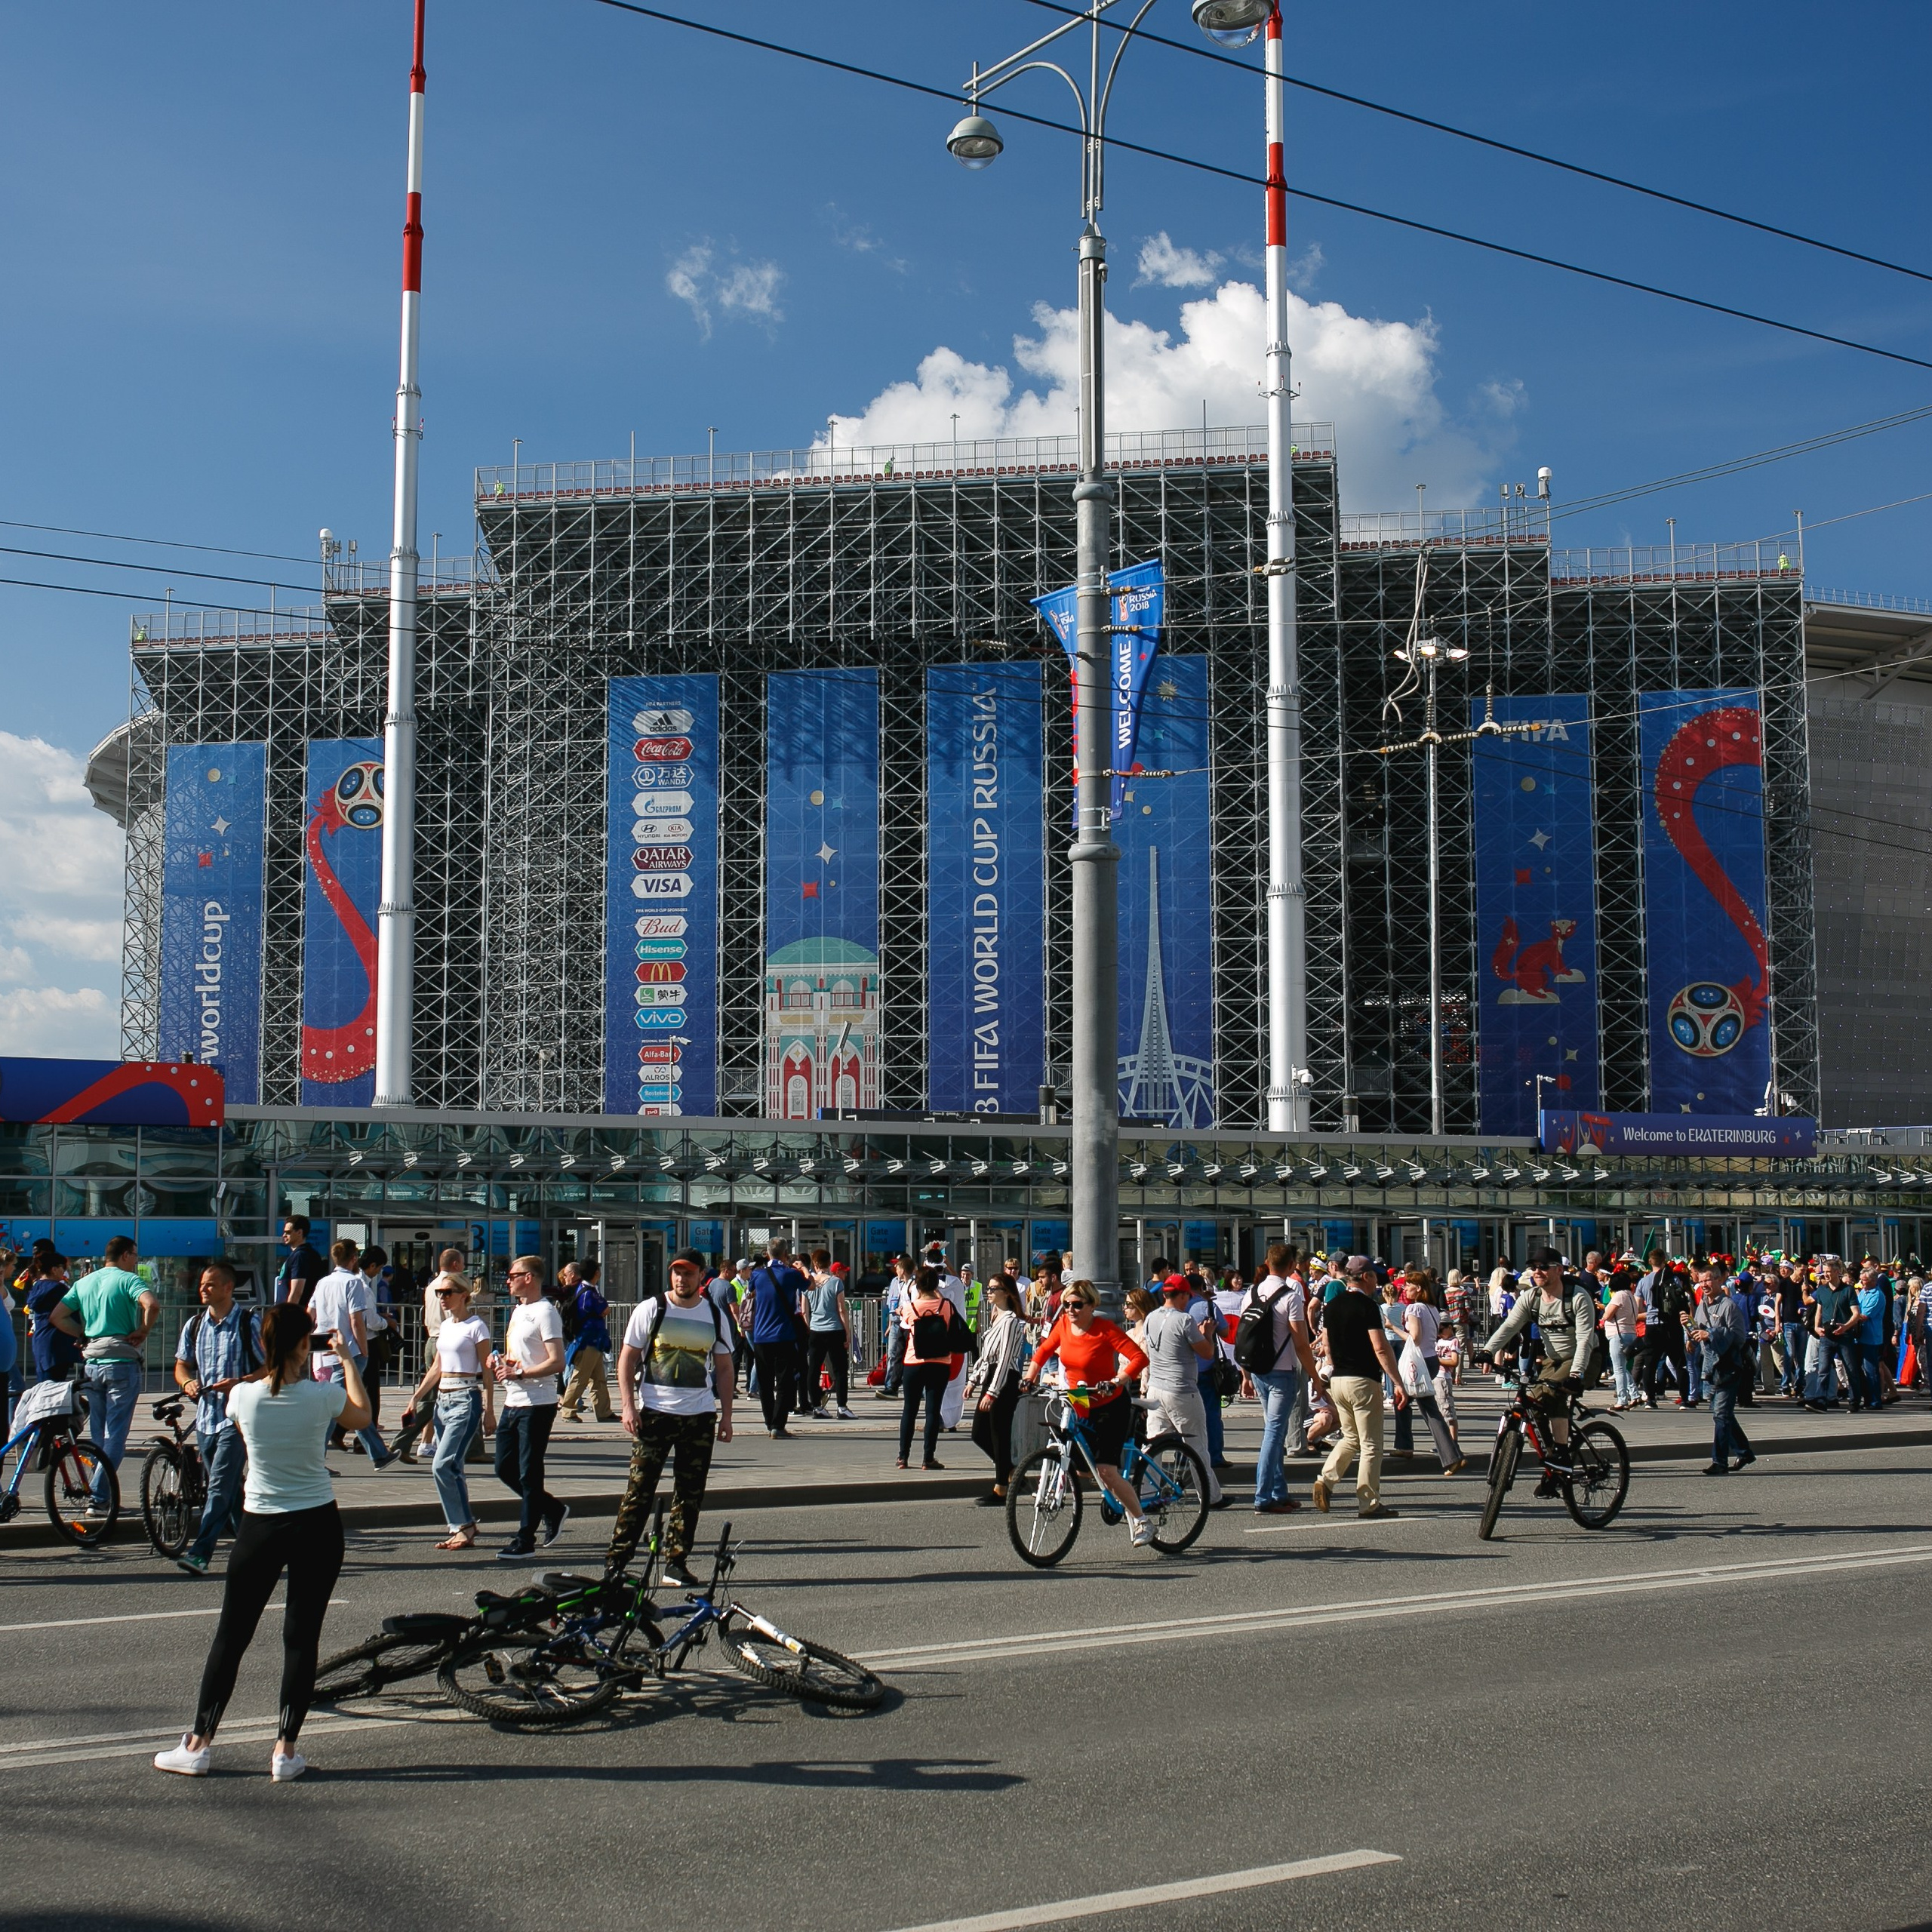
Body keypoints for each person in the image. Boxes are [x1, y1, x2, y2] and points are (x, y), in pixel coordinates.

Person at [154, 1304, 365, 1780]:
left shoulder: (243, 1398)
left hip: (261, 1524)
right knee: (301, 1637)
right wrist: (348, 1361)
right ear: (301, 1344)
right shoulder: (323, 1396)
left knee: (232, 1635)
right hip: (317, 1523)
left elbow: (243, 1407)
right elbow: (363, 1416)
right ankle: (285, 1752)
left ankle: (199, 1743)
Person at [604, 1249, 736, 1588]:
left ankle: (676, 1562)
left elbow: (723, 1368)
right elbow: (627, 1359)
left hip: (699, 1416)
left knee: (689, 1493)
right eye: (676, 1272)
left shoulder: (714, 1314)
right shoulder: (652, 1309)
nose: (681, 1279)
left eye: (688, 1274)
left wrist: (727, 1417)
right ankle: (617, 1563)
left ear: (701, 1277)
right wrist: (628, 1406)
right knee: (639, 1491)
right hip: (655, 1415)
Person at [1020, 1279, 1154, 1543]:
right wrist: (1029, 1377)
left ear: (1092, 1305)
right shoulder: (1064, 1326)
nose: (1070, 1310)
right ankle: (1112, 1489)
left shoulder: (1105, 1329)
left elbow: (1140, 1358)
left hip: (1109, 1402)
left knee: (1105, 1470)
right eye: (1067, 1304)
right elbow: (1043, 1351)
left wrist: (1117, 1381)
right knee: (1082, 1464)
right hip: (1080, 1398)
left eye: (1077, 1305)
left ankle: (1142, 1521)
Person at [50, 1235, 158, 1506]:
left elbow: (57, 1316)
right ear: (124, 1255)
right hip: (121, 1361)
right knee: (116, 1435)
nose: (135, 1261)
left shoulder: (84, 1282)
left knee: (98, 1434)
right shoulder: (128, 1279)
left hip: (91, 1363)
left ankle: (103, 1495)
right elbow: (152, 1304)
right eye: (134, 1255)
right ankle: (97, 1496)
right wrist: (143, 1330)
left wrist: (83, 1334)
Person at [171, 1261, 264, 1577]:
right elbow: (181, 1365)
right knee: (228, 1491)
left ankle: (200, 1553)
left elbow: (270, 1368)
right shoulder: (195, 1324)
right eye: (201, 1284)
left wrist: (241, 1382)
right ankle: (256, 1549)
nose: (203, 1289)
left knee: (220, 1486)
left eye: (210, 1284)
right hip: (206, 1418)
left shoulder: (248, 1322)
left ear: (228, 1287)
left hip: (236, 1419)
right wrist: (187, 1383)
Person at [1478, 1246, 1601, 1483]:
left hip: (1584, 1358)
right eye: (1534, 1267)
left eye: (1543, 1267)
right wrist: (1487, 1351)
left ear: (1559, 1270)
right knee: (1532, 1403)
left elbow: (1585, 1338)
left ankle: (1562, 1453)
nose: (1538, 1271)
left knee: (1554, 1393)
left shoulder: (1576, 1297)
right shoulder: (1531, 1298)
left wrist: (1576, 1374)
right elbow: (1508, 1327)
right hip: (1552, 1360)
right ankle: (1551, 1467)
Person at [399, 1275, 495, 1550]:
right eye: (439, 1293)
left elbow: (486, 1370)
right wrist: (416, 1397)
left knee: (441, 1464)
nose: (442, 1297)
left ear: (463, 1294)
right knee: (454, 1468)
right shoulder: (445, 1326)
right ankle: (463, 1527)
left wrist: (490, 1409)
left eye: (448, 1292)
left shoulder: (476, 1326)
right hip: (443, 1399)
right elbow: (437, 1368)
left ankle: (463, 1525)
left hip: (466, 1397)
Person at [1311, 1260, 1407, 1518]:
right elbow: (1380, 1347)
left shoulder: (1333, 1306)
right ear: (1365, 1277)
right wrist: (1397, 1382)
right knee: (1371, 1444)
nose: (1378, 1282)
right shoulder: (1368, 1306)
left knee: (1351, 1438)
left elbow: (1327, 1344)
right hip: (1363, 1380)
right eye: (1374, 1278)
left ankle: (1325, 1480)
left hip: (1339, 1380)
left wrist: (1330, 1369)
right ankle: (1369, 1502)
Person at [491, 1254, 568, 1561]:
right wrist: (501, 1363)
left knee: (529, 1472)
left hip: (538, 1402)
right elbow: (519, 1355)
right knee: (503, 1467)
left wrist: (520, 1372)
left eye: (513, 1275)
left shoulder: (546, 1312)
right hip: (513, 1400)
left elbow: (557, 1361)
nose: (508, 1280)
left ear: (530, 1278)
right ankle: (552, 1508)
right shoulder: (519, 1310)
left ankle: (526, 1538)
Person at [1239, 1244, 1319, 1515]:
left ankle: (1279, 1492)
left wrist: (1245, 1375)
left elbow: (1244, 1338)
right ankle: (1263, 1498)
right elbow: (1301, 1343)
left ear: (1267, 1262)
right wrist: (1315, 1377)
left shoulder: (1250, 1293)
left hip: (1259, 1371)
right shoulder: (1291, 1296)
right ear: (1290, 1267)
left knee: (1276, 1433)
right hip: (1282, 1373)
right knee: (1274, 1435)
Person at [306, 1240, 396, 1469]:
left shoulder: (323, 1283)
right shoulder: (353, 1284)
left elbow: (310, 1314)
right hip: (347, 1351)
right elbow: (357, 1320)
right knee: (335, 1405)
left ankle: (378, 1453)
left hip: (324, 1349)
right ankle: (314, 1460)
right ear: (354, 1258)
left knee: (341, 1402)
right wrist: (363, 1349)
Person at [1142, 1275, 1223, 1505]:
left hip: (1156, 1389)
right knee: (1196, 1445)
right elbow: (1206, 1353)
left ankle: (1147, 1494)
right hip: (1182, 1390)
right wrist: (1207, 1332)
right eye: (1188, 1295)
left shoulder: (1150, 1318)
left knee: (1153, 1445)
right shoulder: (1185, 1320)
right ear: (1182, 1295)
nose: (1188, 1300)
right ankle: (1210, 1496)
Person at [963, 1275, 1029, 1505]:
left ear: (1007, 1293)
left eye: (994, 1289)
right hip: (991, 1377)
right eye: (989, 1289)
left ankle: (1001, 1488)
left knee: (998, 1434)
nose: (989, 1292)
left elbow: (1004, 1359)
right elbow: (986, 1356)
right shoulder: (996, 1318)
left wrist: (993, 1391)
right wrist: (973, 1380)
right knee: (979, 1433)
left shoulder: (1011, 1321)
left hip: (1005, 1380)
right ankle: (1011, 1471)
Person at [1397, 1274, 1467, 1475]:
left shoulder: (1414, 1308)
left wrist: (1393, 1328)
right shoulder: (1433, 1309)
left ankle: (1410, 1447)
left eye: (1408, 1285)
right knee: (1421, 1406)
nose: (1405, 1289)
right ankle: (1453, 1454)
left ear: (1418, 1288)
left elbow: (1415, 1337)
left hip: (1418, 1362)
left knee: (1410, 1402)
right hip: (1431, 1360)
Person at [1691, 1265, 1756, 1475]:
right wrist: (1690, 1334)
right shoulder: (1702, 1305)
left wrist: (1710, 1334)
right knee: (1722, 1414)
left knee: (1721, 1414)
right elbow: (1698, 1330)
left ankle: (1719, 1461)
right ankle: (1744, 1451)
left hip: (1729, 1366)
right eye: (1701, 1282)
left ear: (1720, 1280)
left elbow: (1738, 1337)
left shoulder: (1729, 1306)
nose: (1704, 1285)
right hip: (1711, 1368)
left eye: (1708, 1281)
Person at [896, 1266, 957, 1470]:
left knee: (909, 1410)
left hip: (914, 1362)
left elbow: (904, 1325)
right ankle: (928, 1458)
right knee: (932, 1411)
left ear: (917, 1285)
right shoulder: (946, 1306)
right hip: (939, 1362)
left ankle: (903, 1457)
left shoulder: (910, 1307)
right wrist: (937, 1292)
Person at [746, 1240, 809, 1437]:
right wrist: (803, 1267)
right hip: (784, 1335)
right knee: (785, 1382)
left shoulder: (757, 1274)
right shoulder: (791, 1274)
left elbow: (751, 1292)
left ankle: (769, 1421)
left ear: (767, 1253)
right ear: (786, 1254)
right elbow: (811, 1285)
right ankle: (778, 1425)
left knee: (765, 1382)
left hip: (761, 1335)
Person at [558, 1258, 617, 1423]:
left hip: (595, 1341)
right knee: (580, 1376)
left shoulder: (584, 1289)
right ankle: (568, 1410)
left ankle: (604, 1411)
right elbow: (604, 1309)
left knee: (598, 1379)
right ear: (596, 1273)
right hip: (588, 1341)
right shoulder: (588, 1292)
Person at [801, 1255, 856, 1419]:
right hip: (834, 1328)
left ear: (815, 1264)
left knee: (814, 1368)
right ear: (829, 1263)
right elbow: (841, 1308)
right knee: (839, 1369)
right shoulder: (835, 1282)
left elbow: (804, 1310)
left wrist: (808, 1326)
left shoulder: (808, 1283)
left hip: (816, 1329)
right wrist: (847, 1331)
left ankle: (817, 1406)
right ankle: (842, 1407)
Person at [356, 1244, 393, 1437]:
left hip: (349, 1342)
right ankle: (368, 1428)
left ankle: (340, 1430)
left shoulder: (344, 1282)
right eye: (379, 1268)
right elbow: (370, 1321)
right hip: (366, 1341)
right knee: (370, 1391)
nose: (379, 1272)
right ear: (372, 1265)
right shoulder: (364, 1288)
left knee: (353, 1388)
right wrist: (385, 1323)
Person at [26, 1254, 80, 1384]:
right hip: (58, 1344)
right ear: (54, 1269)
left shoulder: (38, 1286)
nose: (64, 1271)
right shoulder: (58, 1289)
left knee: (45, 1385)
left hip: (42, 1342)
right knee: (53, 1389)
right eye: (63, 1268)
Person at [1602, 1266, 1641, 1411]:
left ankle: (1622, 1400)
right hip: (1631, 1332)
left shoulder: (1619, 1295)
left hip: (1618, 1334)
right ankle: (1635, 1395)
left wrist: (1604, 1313)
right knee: (1623, 1367)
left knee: (1618, 1369)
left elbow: (1608, 1315)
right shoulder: (1630, 1295)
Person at [877, 1254, 914, 1400]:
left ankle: (915, 1387)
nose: (895, 1269)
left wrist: (903, 1312)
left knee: (910, 1355)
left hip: (908, 1323)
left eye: (897, 1266)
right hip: (897, 1322)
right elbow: (891, 1304)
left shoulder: (913, 1284)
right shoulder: (894, 1282)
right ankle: (891, 1385)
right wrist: (890, 1323)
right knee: (894, 1354)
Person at [273, 1216, 326, 1309]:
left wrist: (287, 1313)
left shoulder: (301, 1256)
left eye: (288, 1232)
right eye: (284, 1232)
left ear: (299, 1232)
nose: (284, 1236)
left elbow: (297, 1292)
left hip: (297, 1314)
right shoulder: (302, 1254)